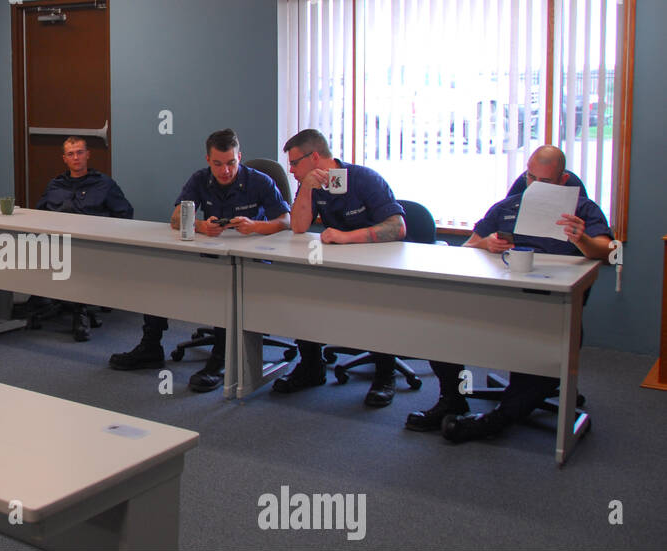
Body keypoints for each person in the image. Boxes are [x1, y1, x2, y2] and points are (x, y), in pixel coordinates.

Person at [407, 145, 613, 441]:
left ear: (563, 179)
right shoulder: (507, 207)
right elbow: (467, 248)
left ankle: (497, 420)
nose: (536, 187)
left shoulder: (583, 209)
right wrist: (486, 243)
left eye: (546, 181)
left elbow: (608, 253)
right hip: (497, 296)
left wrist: (583, 241)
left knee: (544, 345)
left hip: (551, 306)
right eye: (531, 178)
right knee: (442, 321)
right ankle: (452, 398)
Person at [109, 128, 290, 392]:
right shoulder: (200, 179)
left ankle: (220, 361)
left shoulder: (259, 181)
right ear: (208, 160)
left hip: (252, 259)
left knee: (225, 287)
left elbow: (285, 220)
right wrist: (201, 226)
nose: (225, 171)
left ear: (240, 157)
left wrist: (255, 226)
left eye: (231, 163)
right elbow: (175, 218)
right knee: (160, 276)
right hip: (212, 253)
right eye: (218, 164)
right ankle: (150, 346)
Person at [271, 128, 408, 407]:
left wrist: (347, 237)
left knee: (377, 306)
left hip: (377, 266)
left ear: (316, 156)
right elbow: (298, 227)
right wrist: (307, 188)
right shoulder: (313, 184)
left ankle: (385, 375)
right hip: (335, 265)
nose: (292, 169)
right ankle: (311, 366)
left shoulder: (363, 179)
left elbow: (397, 227)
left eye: (295, 162)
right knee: (301, 294)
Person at [30, 136, 133, 341]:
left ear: (88, 155)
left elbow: (125, 214)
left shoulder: (104, 184)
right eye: (70, 154)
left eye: (79, 152)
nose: (75, 157)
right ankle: (43, 297)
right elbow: (38, 214)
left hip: (91, 246)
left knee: (75, 257)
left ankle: (80, 310)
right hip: (56, 244)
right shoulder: (55, 185)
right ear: (64, 159)